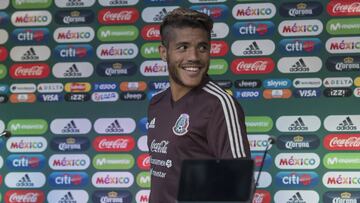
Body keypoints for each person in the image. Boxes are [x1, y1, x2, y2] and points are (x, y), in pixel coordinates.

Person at [147, 7, 251, 203]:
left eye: (202, 47)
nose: (194, 57)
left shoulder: (219, 104)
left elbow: (238, 188)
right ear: (163, 52)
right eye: (182, 47)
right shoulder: (156, 103)